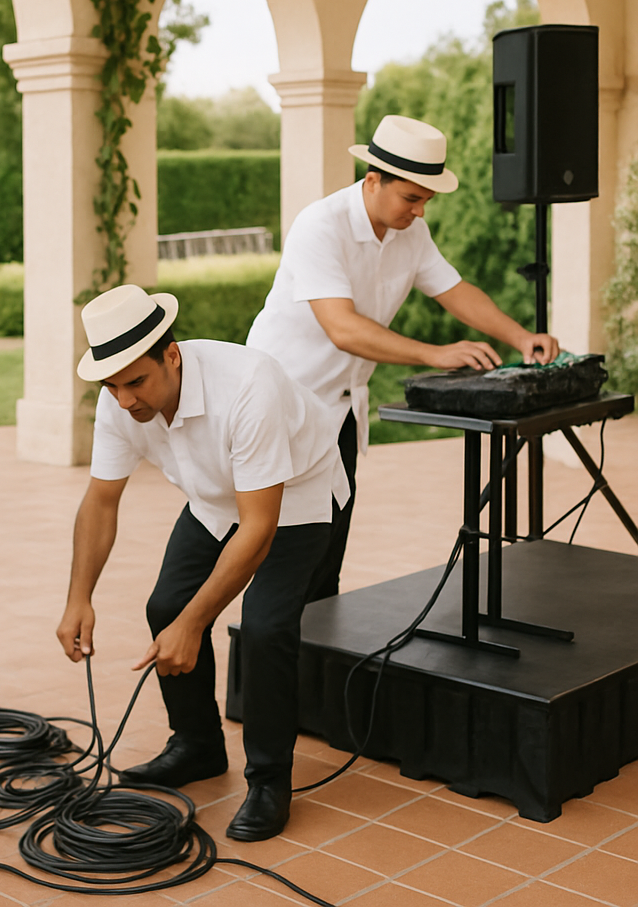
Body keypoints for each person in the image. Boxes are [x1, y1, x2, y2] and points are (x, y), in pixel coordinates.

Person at [56, 285, 349, 842]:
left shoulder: (249, 385)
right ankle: (197, 745)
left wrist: (194, 625)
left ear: (171, 354)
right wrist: (79, 597)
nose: (125, 400)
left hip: (296, 491)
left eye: (135, 382)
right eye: (112, 386)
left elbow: (259, 525)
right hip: (216, 498)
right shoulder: (120, 399)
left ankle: (268, 780)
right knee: (165, 604)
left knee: (264, 627)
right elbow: (99, 501)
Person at [247, 114, 559, 603]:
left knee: (326, 567)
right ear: (373, 180)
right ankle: (270, 674)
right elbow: (343, 328)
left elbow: (455, 291)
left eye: (426, 202)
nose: (419, 212)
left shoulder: (410, 231)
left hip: (341, 413)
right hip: (280, 410)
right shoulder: (319, 225)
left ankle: (317, 674)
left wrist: (522, 337)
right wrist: (436, 354)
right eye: (411, 198)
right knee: (282, 564)